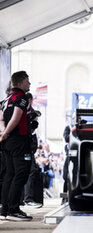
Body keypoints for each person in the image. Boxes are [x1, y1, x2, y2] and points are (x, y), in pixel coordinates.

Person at [0, 71, 33, 221]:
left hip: (7, 143)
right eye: (27, 81)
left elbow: (1, 118)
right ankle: (13, 209)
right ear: (20, 83)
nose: (29, 84)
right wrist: (6, 133)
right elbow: (16, 117)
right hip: (19, 141)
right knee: (22, 172)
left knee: (9, 174)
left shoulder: (6, 99)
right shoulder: (22, 98)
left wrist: (3, 133)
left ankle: (5, 209)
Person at [22, 92, 43, 208]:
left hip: (28, 145)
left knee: (28, 171)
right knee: (31, 171)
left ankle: (21, 200)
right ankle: (28, 199)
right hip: (25, 146)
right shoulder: (24, 110)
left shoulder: (30, 110)